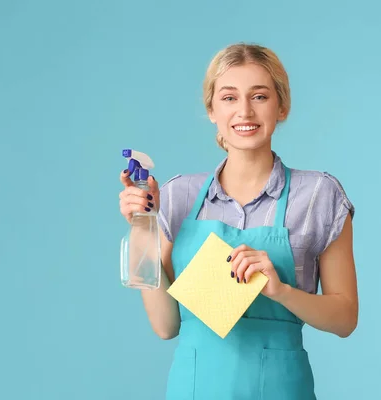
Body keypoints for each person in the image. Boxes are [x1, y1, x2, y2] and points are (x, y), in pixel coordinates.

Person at [118, 42, 358, 400]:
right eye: (229, 98)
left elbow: (345, 318)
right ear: (211, 109)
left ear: (282, 106)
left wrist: (282, 292)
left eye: (259, 96)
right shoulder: (178, 196)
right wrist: (143, 225)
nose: (244, 111)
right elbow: (167, 325)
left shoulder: (318, 195)